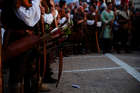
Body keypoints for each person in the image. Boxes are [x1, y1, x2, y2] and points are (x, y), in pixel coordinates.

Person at [1, 0, 42, 92]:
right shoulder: (13, 4)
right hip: (18, 40)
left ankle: (30, 88)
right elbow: (29, 19)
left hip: (27, 39)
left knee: (29, 67)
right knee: (18, 70)